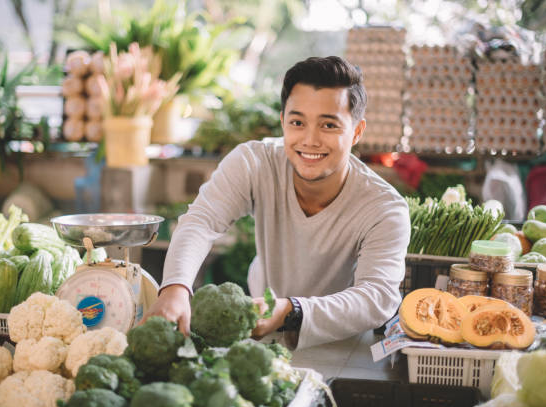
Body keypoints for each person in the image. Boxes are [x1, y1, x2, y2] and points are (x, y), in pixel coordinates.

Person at [146, 56, 411, 349]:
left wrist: (290, 310)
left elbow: (377, 297)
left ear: (357, 132)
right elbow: (202, 221)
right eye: (297, 122)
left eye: (329, 125)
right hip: (261, 336)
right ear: (282, 121)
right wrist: (175, 286)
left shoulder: (384, 208)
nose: (310, 140)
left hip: (341, 342)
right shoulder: (254, 162)